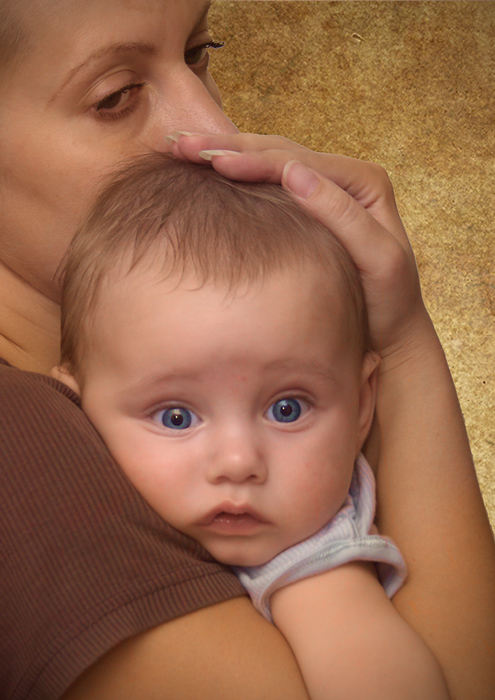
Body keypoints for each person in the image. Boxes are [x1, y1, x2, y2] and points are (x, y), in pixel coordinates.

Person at [0, 0, 494, 698]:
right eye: (115, 96)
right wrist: (406, 350)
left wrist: (399, 331)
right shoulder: (19, 435)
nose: (213, 128)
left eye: (200, 54)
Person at [52, 154, 450, 700]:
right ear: (71, 412)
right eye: (176, 417)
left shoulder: (311, 568)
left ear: (362, 406)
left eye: (288, 408)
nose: (239, 461)